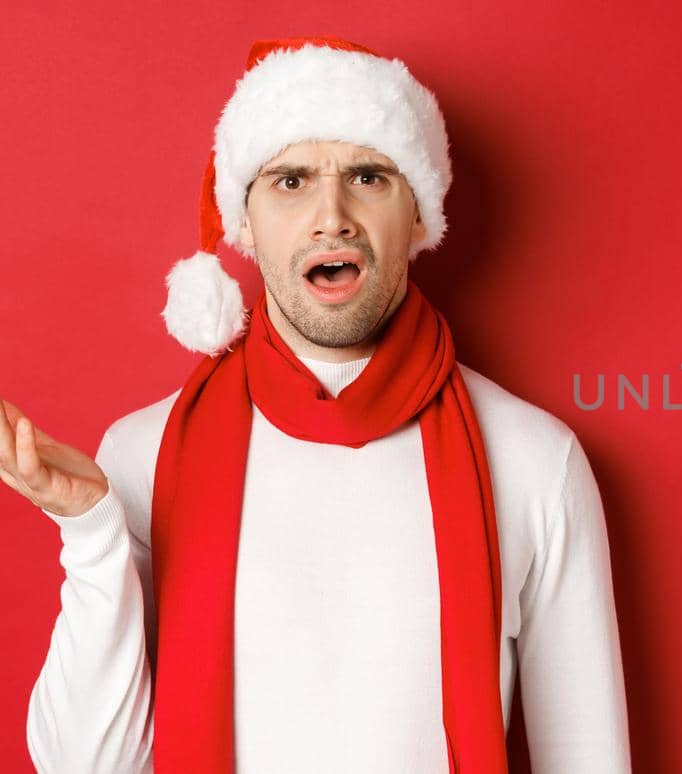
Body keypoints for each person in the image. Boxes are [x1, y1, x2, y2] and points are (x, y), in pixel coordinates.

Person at [3, 35, 632, 773]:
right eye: (291, 181)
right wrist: (91, 534)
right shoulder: (145, 453)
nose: (331, 216)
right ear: (245, 222)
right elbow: (83, 765)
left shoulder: (533, 460)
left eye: (368, 175)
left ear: (420, 215)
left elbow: (589, 758)